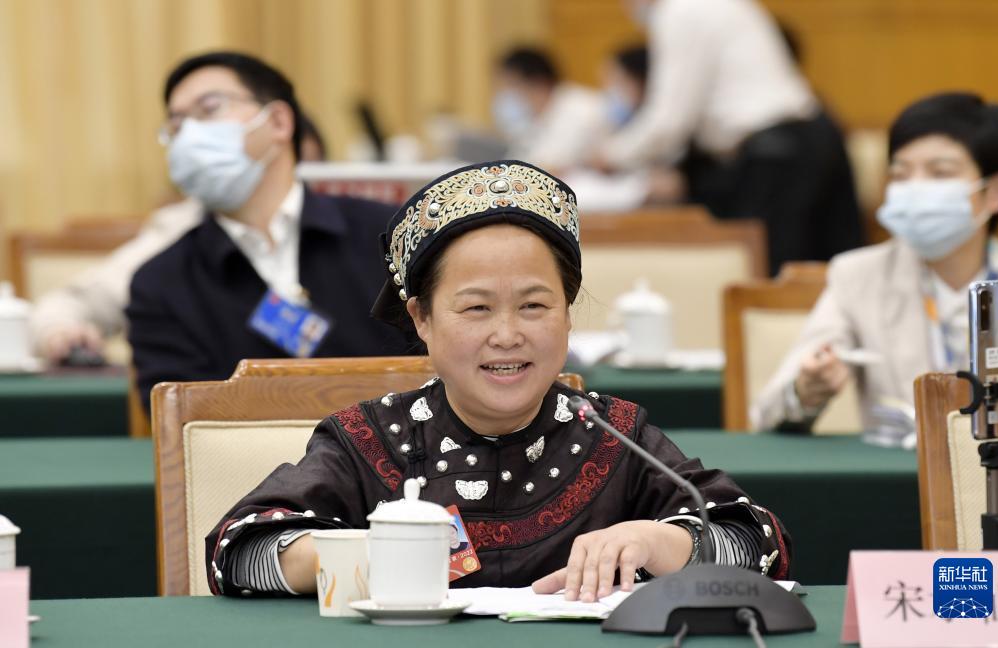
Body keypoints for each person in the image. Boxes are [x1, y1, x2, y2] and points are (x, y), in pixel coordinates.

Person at [206, 161, 791, 600]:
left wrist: (662, 543)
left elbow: (758, 542)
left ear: (568, 314)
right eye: (477, 309)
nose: (508, 335)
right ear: (422, 319)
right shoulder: (370, 439)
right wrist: (363, 555)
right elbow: (236, 552)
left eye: (534, 306)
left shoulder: (612, 435)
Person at [126, 52, 409, 411]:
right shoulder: (160, 283)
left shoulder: (388, 236)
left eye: (209, 108)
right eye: (177, 124)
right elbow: (183, 421)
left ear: (278, 121)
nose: (190, 134)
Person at [752, 92, 998, 431]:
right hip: (901, 463)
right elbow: (768, 412)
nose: (915, 188)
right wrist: (806, 390)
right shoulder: (859, 276)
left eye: (940, 173)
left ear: (996, 191)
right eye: (900, 174)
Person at [29, 111, 330, 364]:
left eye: (295, 170)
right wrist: (62, 332)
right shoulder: (184, 230)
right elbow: (68, 304)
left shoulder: (349, 229)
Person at [598, 0, 863, 274]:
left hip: (776, 153)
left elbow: (670, 121)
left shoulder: (680, 11)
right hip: (811, 135)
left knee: (774, 277)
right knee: (833, 270)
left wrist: (610, 156)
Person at [493, 48, 610, 170]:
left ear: (538, 82)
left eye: (512, 85)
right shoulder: (535, 117)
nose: (508, 94)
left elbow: (554, 165)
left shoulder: (580, 108)